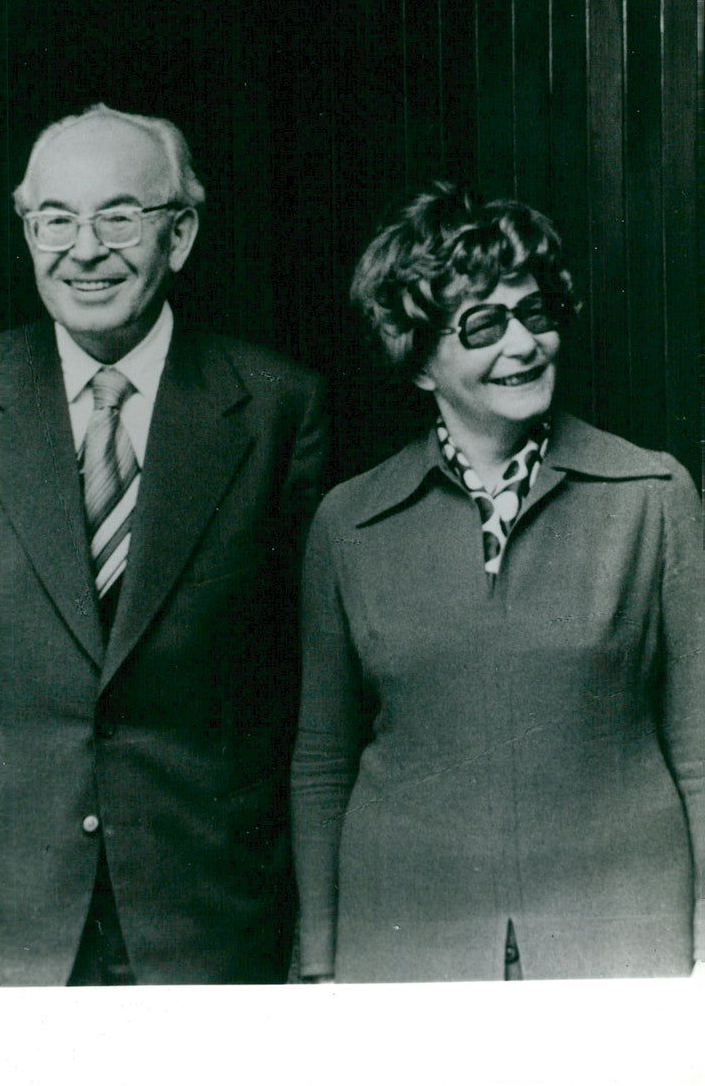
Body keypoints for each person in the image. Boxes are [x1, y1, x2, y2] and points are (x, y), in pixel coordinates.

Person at [0, 103, 328, 986]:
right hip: (1, 887)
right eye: (55, 218)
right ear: (28, 233)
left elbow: (295, 669)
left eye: (120, 216)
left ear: (179, 236)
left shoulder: (278, 404)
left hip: (206, 890)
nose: (84, 247)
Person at [290, 181, 703, 982]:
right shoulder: (349, 522)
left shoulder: (654, 496)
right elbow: (321, 762)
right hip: (406, 938)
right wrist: (319, 958)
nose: (523, 345)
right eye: (483, 324)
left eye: (537, 314)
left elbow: (700, 745)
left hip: (622, 933)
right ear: (418, 361)